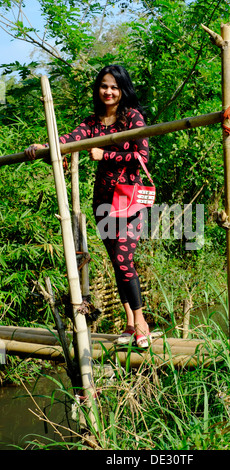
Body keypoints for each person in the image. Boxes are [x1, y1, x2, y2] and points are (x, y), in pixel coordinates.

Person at [25, 64, 152, 348]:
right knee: (118, 265)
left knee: (123, 260)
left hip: (129, 200)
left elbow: (142, 155)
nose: (109, 91)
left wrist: (105, 154)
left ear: (123, 90)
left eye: (114, 87)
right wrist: (44, 147)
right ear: (98, 89)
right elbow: (68, 139)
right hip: (103, 201)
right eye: (104, 86)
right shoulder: (93, 122)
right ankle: (130, 324)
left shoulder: (132, 117)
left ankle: (142, 324)